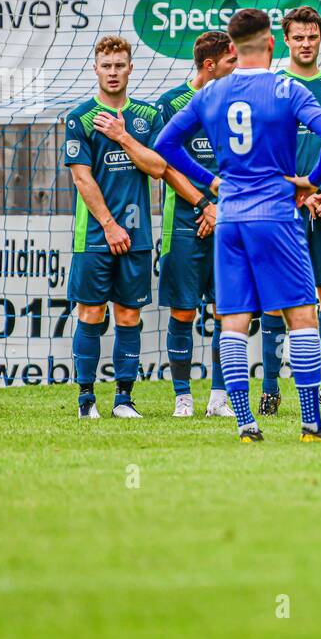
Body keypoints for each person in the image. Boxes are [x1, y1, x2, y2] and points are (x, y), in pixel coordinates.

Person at [153, 8, 321, 443]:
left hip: (231, 217)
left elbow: (165, 143)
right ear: (272, 44)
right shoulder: (287, 88)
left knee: (234, 320)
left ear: (234, 48)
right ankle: (312, 424)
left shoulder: (210, 94)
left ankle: (245, 425)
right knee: (301, 315)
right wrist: (311, 181)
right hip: (276, 214)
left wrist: (212, 180)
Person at [64, 35, 215, 419]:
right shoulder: (79, 118)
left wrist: (122, 136)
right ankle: (86, 400)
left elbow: (159, 167)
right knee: (91, 313)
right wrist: (109, 225)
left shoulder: (147, 117)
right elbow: (83, 179)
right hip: (96, 236)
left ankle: (123, 400)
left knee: (129, 315)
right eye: (106, 66)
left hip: (138, 236)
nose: (113, 73)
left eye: (119, 66)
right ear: (95, 68)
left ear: (131, 68)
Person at [261, 6, 321, 415]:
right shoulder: (271, 87)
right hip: (281, 209)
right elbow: (261, 153)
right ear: (286, 39)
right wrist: (295, 191)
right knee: (273, 299)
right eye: (298, 37)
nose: (305, 43)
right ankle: (269, 389)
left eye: (311, 37)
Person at [155, 30, 238, 418]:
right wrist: (205, 204)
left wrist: (221, 209)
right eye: (230, 61)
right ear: (210, 65)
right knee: (184, 312)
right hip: (185, 221)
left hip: (230, 219)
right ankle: (183, 398)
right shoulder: (172, 103)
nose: (236, 67)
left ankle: (219, 398)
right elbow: (164, 165)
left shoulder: (237, 100)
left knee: (226, 310)